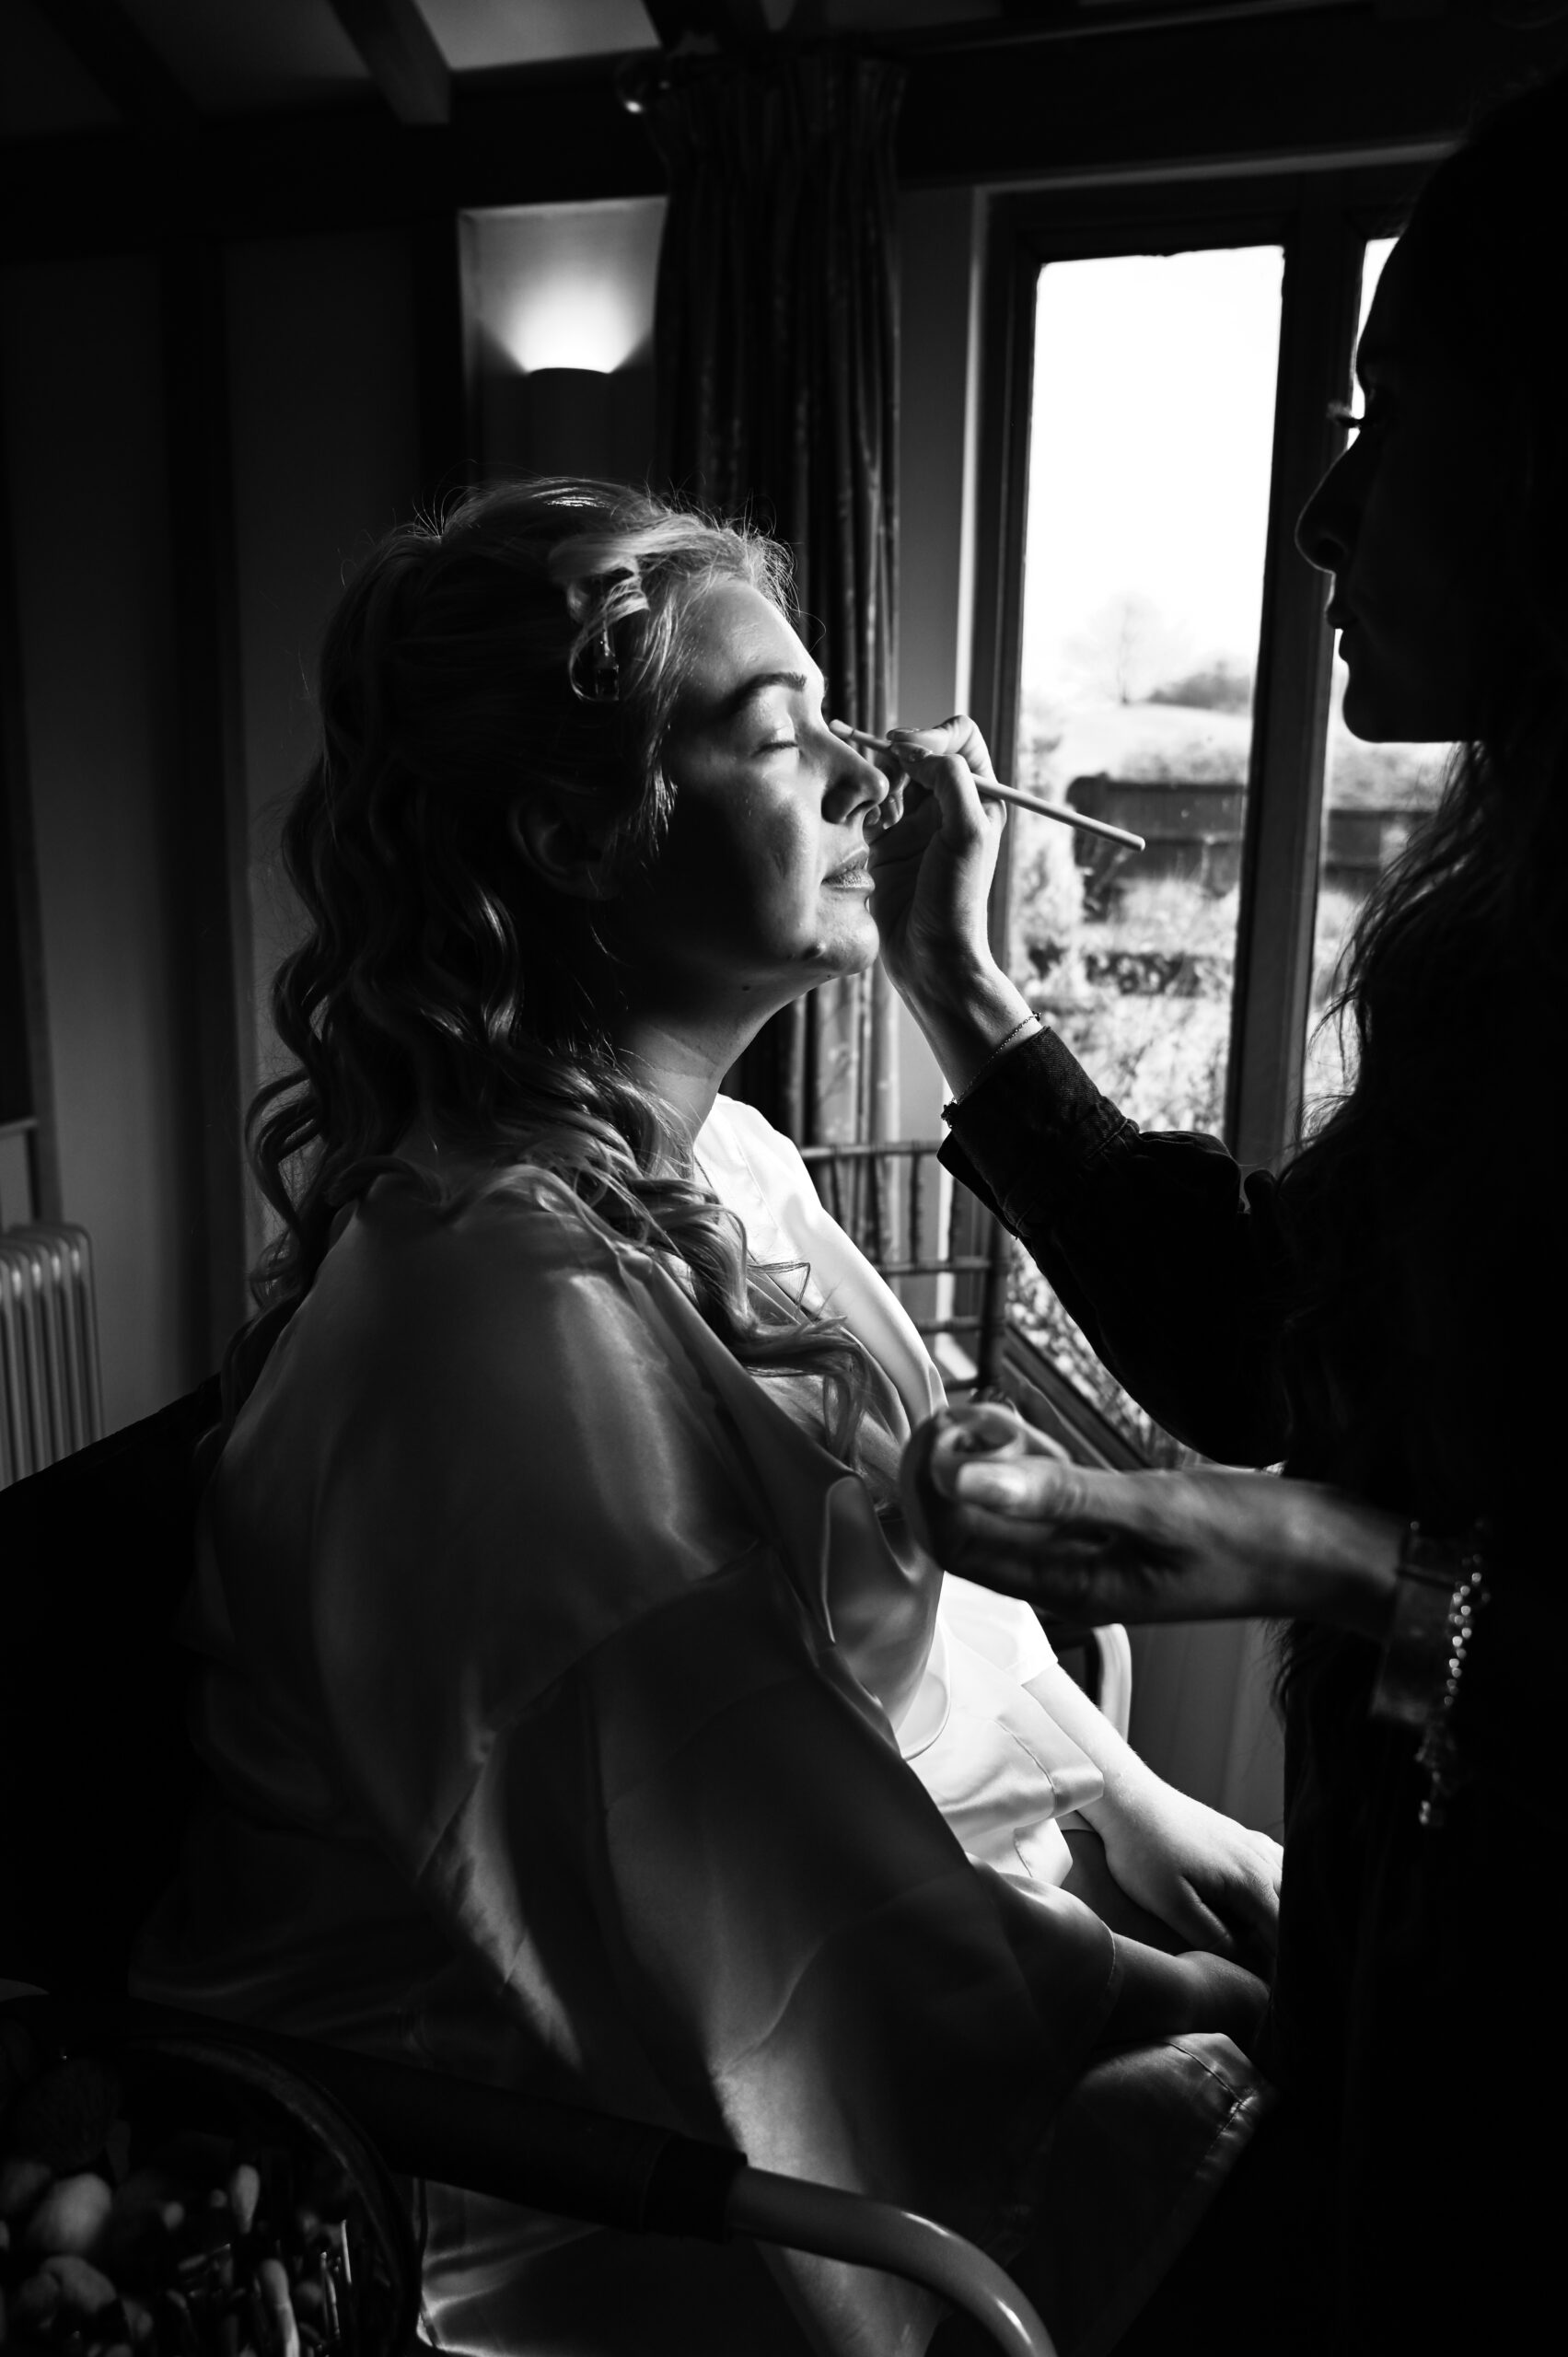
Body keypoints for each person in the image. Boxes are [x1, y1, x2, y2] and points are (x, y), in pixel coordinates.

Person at [133, 480, 1273, 2357]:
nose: (873, 776)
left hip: (791, 1988)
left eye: (842, 713)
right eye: (781, 730)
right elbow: (788, 1933)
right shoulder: (491, 1334)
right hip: (549, 2169)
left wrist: (1160, 1821)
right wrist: (1204, 2005)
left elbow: (949, 1666)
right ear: (576, 834)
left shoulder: (727, 1162)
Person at [880, 69, 1566, 2356]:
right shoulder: (1510, 948)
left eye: (1397, 418)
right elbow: (1276, 1332)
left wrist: (1345, 1557)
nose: (1329, 510)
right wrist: (964, 981)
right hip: (1417, 1990)